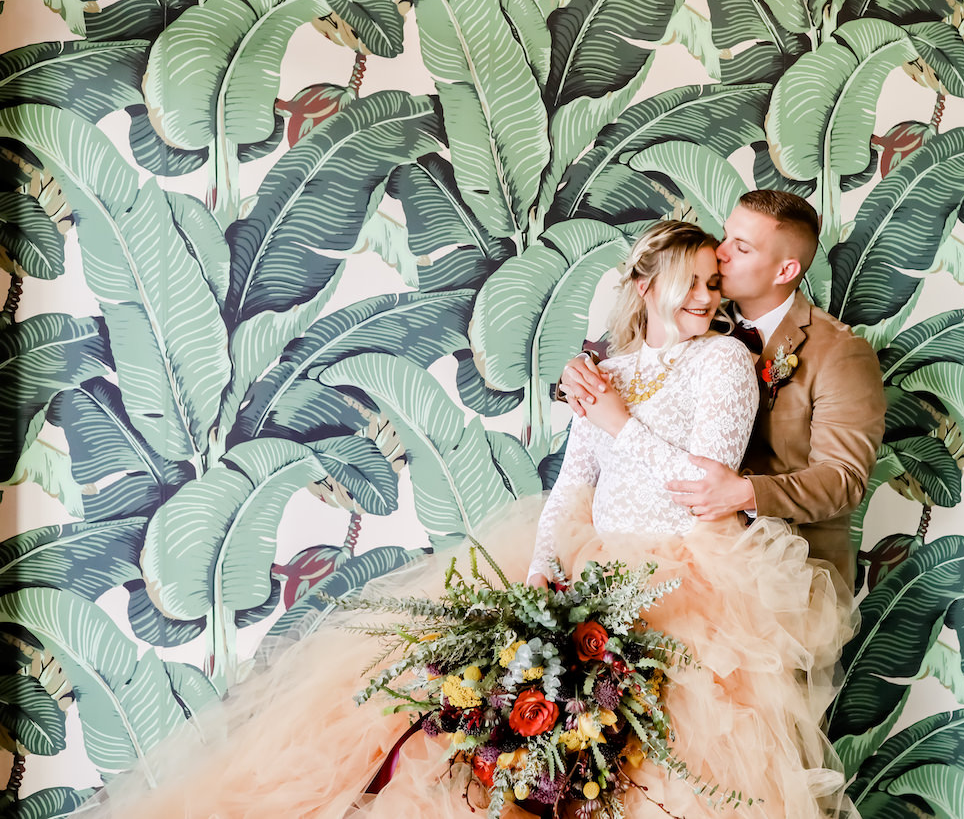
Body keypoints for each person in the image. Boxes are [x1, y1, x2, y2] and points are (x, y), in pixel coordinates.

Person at [87, 220, 854, 819]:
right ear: (647, 285)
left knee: (653, 766)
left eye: (715, 287)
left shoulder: (720, 362)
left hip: (686, 572)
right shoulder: (607, 372)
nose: (706, 300)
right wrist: (539, 573)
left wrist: (620, 422)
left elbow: (700, 483)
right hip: (594, 562)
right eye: (692, 283)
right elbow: (571, 485)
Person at [560, 191, 886, 590]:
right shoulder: (695, 312)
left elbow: (844, 478)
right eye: (727, 236)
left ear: (784, 271)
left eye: (741, 247)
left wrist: (746, 493)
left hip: (785, 575)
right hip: (670, 559)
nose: (721, 251)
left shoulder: (839, 352)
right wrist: (575, 374)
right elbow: (633, 371)